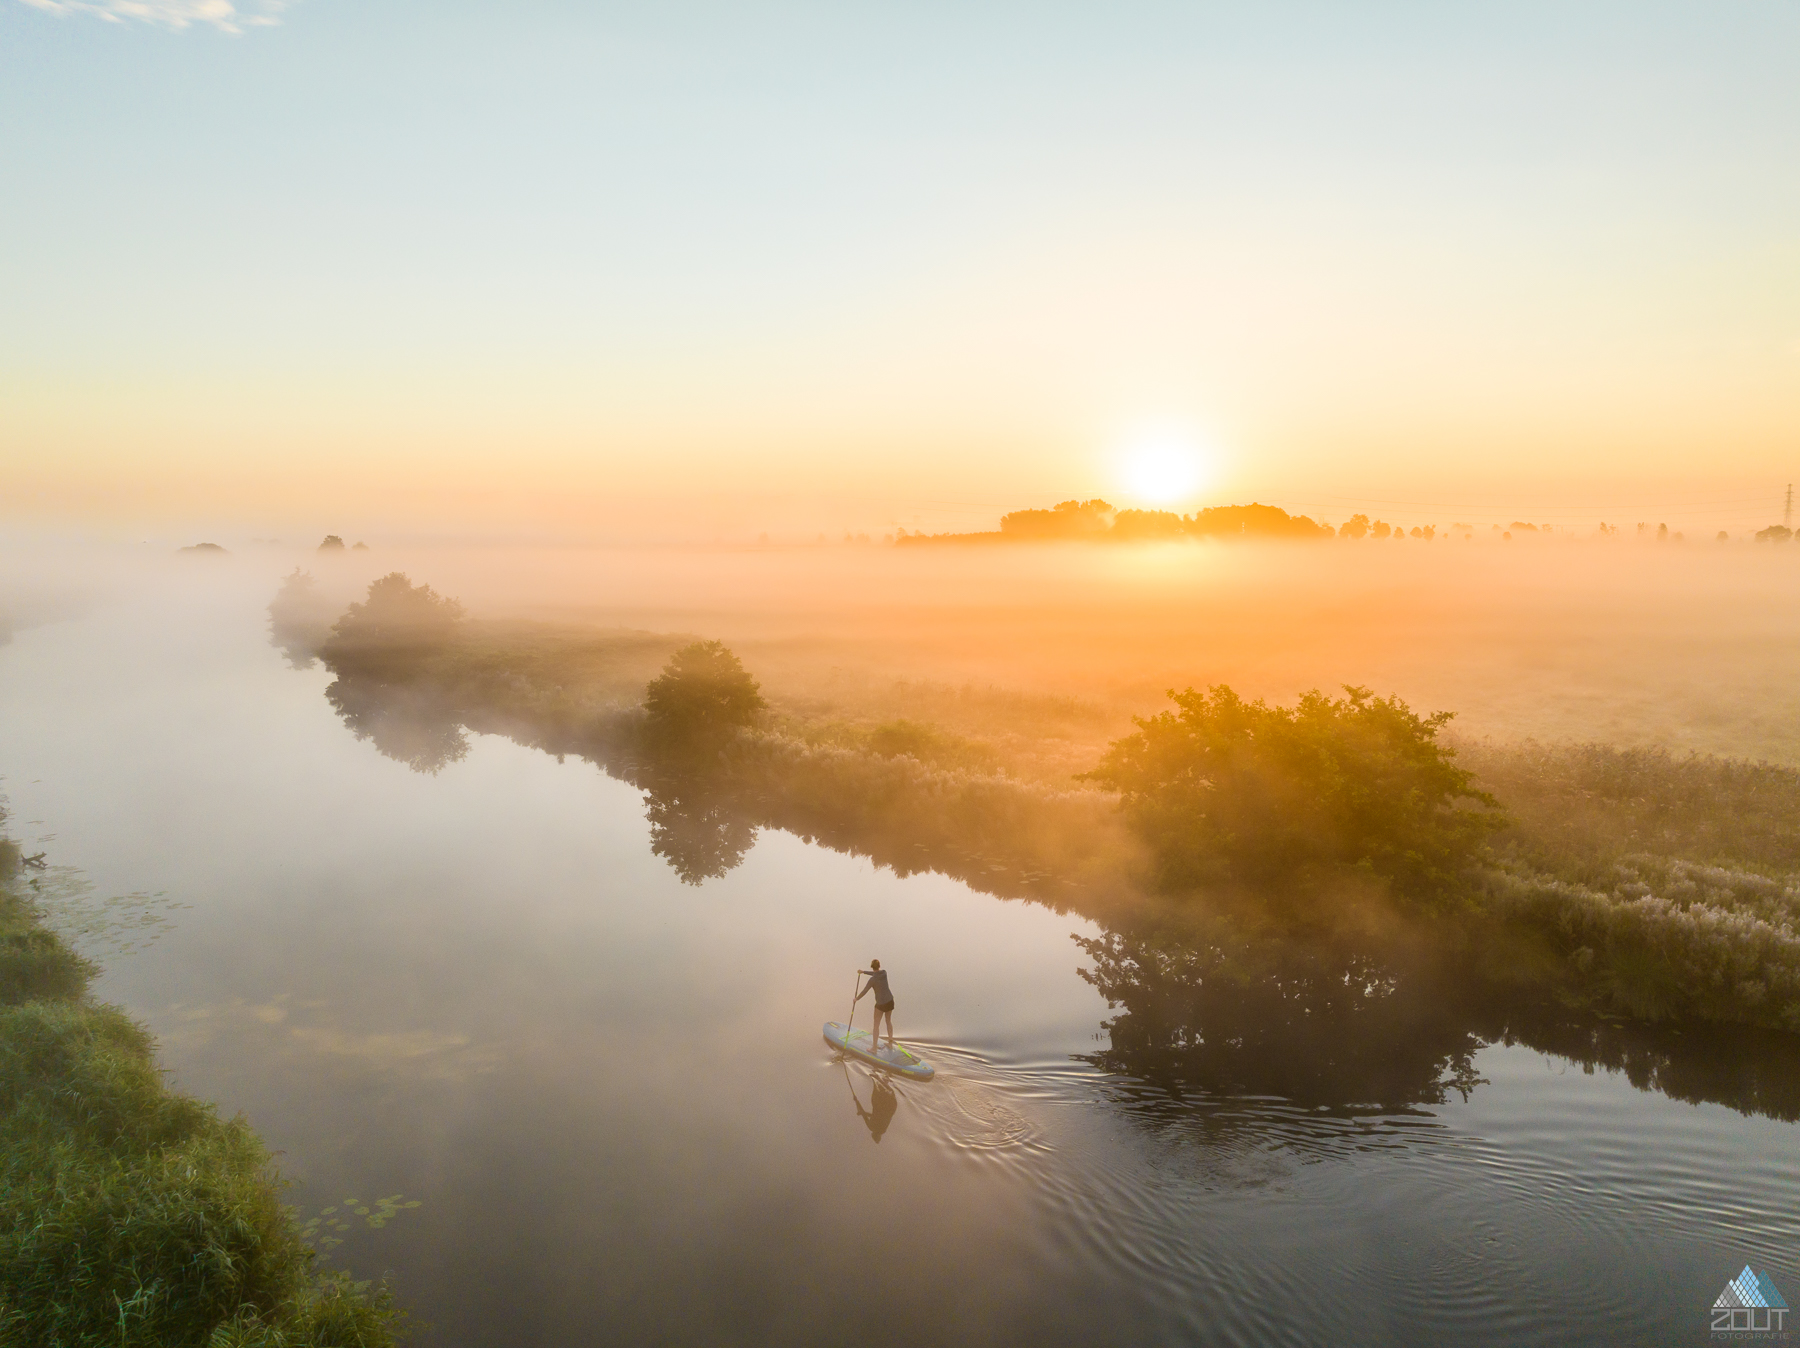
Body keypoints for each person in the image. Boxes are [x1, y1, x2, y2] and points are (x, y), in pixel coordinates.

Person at [855, 958, 896, 1052]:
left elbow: (865, 991)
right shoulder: (884, 973)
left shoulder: (872, 980)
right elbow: (876, 973)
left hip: (881, 1004)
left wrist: (856, 999)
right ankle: (890, 1043)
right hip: (890, 1001)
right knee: (888, 1021)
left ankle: (874, 1048)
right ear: (879, 966)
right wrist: (863, 972)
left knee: (876, 1025)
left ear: (872, 967)